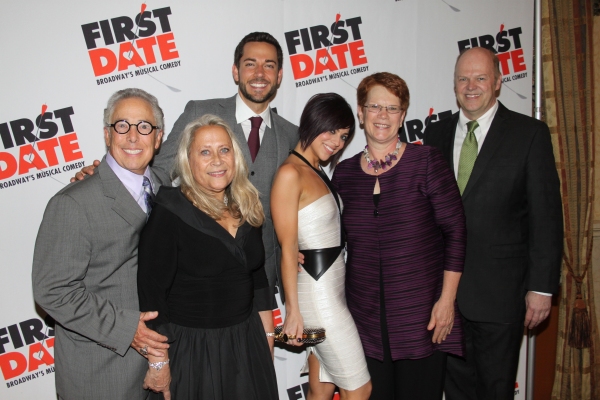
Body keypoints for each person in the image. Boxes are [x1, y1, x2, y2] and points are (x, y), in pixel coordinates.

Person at [73, 32, 298, 304]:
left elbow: (298, 202)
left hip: (261, 276)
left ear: (280, 74)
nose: (260, 73)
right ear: (236, 71)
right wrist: (108, 180)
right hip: (201, 273)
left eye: (269, 65)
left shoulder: (291, 135)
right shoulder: (198, 112)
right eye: (250, 63)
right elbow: (159, 171)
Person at [424, 47, 563, 400]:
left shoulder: (529, 134)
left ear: (499, 82)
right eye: (462, 78)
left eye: (480, 78)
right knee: (453, 390)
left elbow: (546, 216)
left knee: (495, 391)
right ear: (454, 84)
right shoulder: (435, 134)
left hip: (501, 295)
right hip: (444, 297)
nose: (471, 86)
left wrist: (542, 288)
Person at [331, 72, 467, 399]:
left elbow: (456, 233)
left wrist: (446, 302)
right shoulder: (345, 173)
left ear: (403, 115)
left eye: (392, 109)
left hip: (423, 320)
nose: (382, 116)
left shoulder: (426, 162)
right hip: (364, 325)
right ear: (360, 113)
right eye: (374, 106)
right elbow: (334, 240)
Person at [32, 88, 170, 400]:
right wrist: (127, 330)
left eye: (144, 127)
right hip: (104, 372)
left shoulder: (167, 188)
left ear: (158, 137)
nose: (133, 137)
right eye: (122, 126)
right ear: (107, 135)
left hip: (163, 368)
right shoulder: (73, 203)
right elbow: (52, 291)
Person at [137, 114, 277, 400]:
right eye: (205, 152)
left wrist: (267, 341)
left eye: (224, 150)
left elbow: (258, 280)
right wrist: (159, 363)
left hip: (247, 343)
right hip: (193, 352)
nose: (217, 159)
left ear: (235, 156)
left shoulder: (247, 205)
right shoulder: (170, 212)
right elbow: (152, 297)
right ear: (188, 161)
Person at [271, 93, 372, 399]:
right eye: (331, 131)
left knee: (321, 390)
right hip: (318, 297)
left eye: (344, 136)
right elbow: (288, 249)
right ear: (313, 122)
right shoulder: (290, 174)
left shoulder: (315, 170)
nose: (337, 143)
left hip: (331, 292)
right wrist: (293, 313)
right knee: (360, 390)